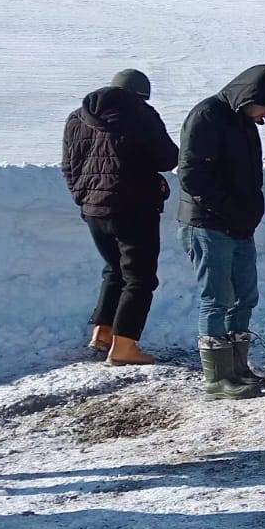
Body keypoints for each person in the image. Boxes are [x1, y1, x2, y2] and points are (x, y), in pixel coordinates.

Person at [177, 64, 265, 399]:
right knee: (217, 298)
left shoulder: (243, 121)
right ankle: (218, 378)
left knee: (245, 296)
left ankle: (238, 366)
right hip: (208, 224)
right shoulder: (207, 116)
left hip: (238, 225)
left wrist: (248, 212)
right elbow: (192, 176)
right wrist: (231, 210)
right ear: (251, 96)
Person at [62, 69, 178, 366]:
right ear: (140, 94)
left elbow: (69, 166)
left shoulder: (77, 117)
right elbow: (168, 158)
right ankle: (124, 346)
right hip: (134, 207)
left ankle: (102, 334)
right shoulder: (141, 114)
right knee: (140, 277)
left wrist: (83, 197)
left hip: (93, 209)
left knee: (115, 269)